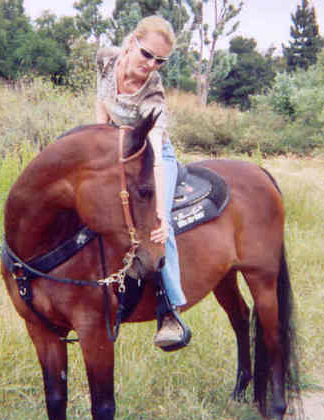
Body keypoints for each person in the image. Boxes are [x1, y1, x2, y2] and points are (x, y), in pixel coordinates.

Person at [96, 15, 190, 349]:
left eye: (160, 61)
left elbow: (155, 150)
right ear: (132, 42)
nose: (151, 65)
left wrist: (162, 217)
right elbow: (101, 109)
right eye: (147, 54)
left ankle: (170, 308)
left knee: (156, 228)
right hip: (118, 147)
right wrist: (98, 148)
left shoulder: (154, 92)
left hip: (155, 157)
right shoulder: (106, 59)